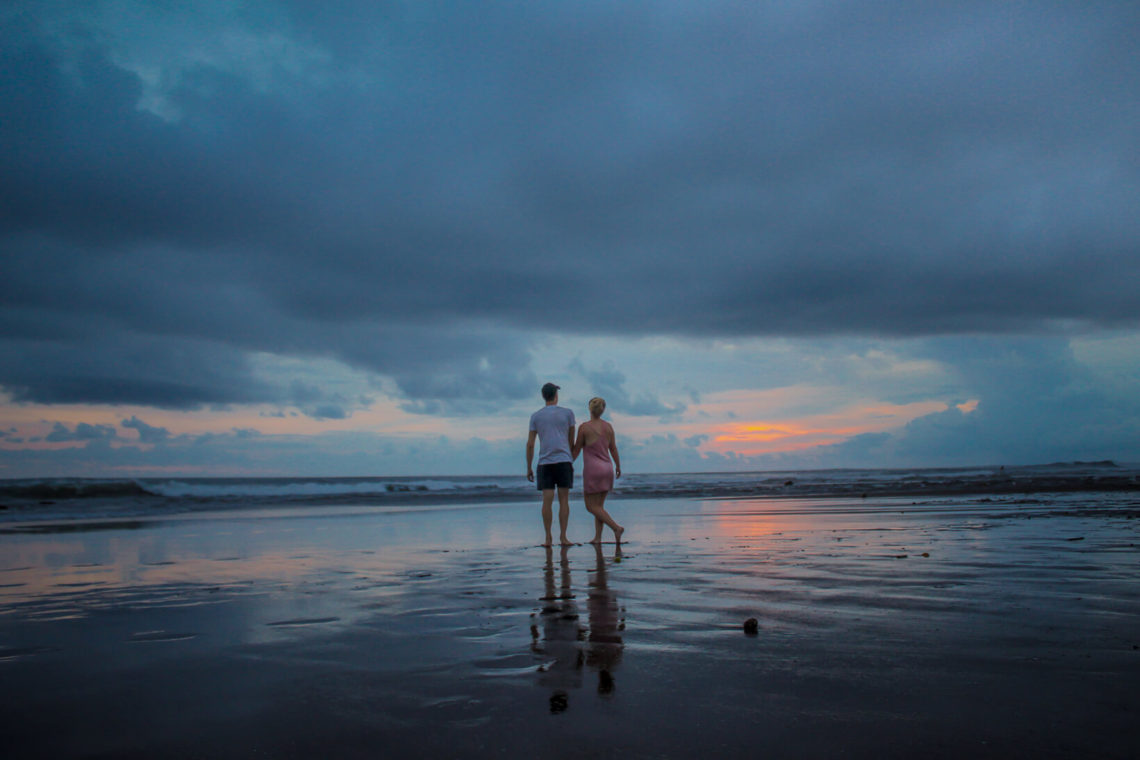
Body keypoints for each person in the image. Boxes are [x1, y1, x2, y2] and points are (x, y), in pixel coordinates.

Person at [526, 382, 576, 547]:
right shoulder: (568, 413)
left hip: (545, 462)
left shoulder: (536, 416)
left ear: (543, 396)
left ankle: (548, 538)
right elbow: (571, 440)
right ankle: (563, 537)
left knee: (546, 501)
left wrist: (529, 466)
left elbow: (531, 444)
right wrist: (570, 457)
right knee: (564, 500)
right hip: (563, 460)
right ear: (556, 395)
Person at [572, 397, 624, 544]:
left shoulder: (584, 428)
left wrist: (568, 462)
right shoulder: (608, 427)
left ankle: (616, 528)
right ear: (603, 409)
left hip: (593, 470)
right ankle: (598, 538)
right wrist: (618, 465)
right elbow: (613, 448)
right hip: (607, 468)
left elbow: (576, 450)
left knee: (591, 506)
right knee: (599, 507)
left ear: (589, 408)